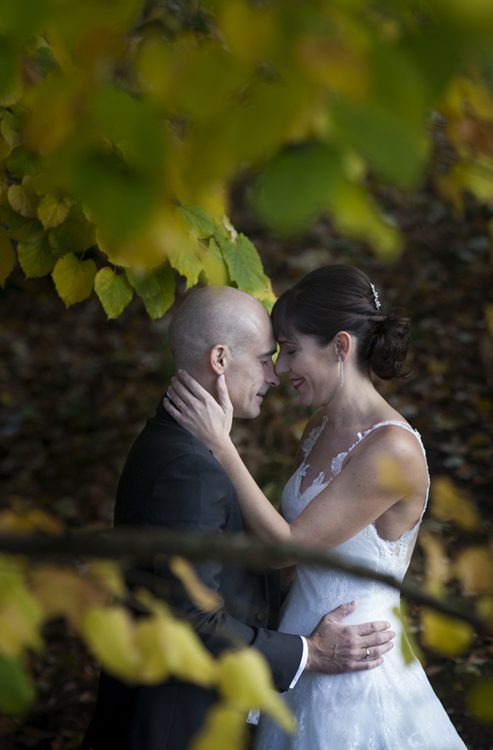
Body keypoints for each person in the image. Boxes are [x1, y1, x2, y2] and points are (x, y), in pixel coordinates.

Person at [81, 285, 397, 750]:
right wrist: (311, 653)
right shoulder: (190, 466)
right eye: (266, 358)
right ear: (221, 360)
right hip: (175, 724)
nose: (275, 374)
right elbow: (190, 620)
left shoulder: (169, 441)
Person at [164, 265, 467, 750]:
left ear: (340, 347)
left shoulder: (393, 451)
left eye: (291, 350)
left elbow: (288, 547)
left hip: (355, 663)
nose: (280, 369)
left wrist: (221, 446)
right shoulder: (317, 430)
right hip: (304, 645)